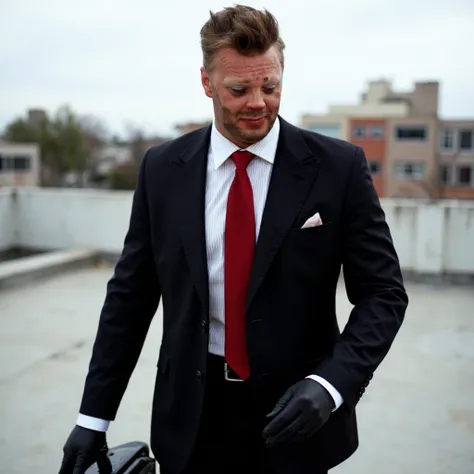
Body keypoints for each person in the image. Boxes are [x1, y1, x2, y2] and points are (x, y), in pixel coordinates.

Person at [58, 5, 409, 474]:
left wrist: (331, 385)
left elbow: (384, 295)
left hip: (298, 419)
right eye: (239, 89)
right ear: (206, 83)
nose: (258, 102)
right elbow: (130, 297)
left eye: (271, 86)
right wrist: (93, 416)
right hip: (192, 419)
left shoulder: (338, 167)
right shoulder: (162, 169)